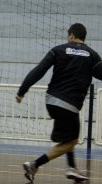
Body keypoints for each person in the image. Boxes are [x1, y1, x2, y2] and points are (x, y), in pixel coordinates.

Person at [16, 23, 101, 183]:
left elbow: (39, 70)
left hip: (52, 101)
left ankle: (72, 168)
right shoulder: (92, 55)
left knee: (69, 136)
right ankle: (34, 164)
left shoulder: (58, 50)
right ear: (84, 38)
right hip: (70, 105)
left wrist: (22, 91)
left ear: (71, 36)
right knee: (72, 141)